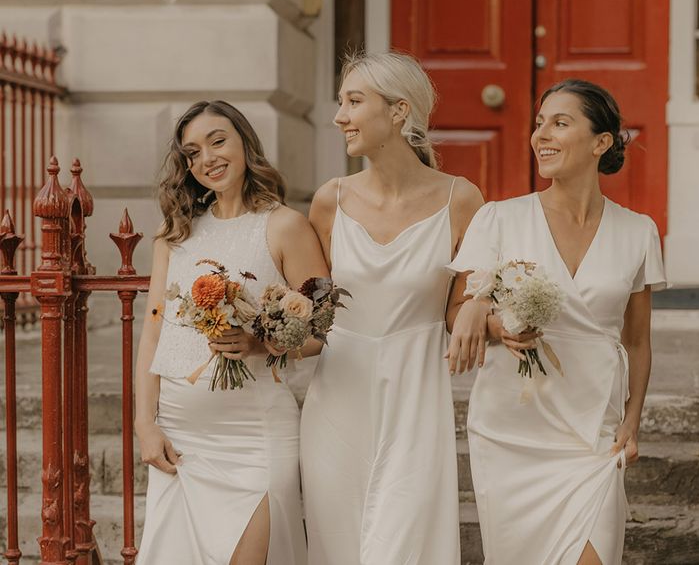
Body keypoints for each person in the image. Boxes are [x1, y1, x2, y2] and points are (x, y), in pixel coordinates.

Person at [448, 79, 665, 565]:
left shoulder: (638, 232)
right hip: (513, 431)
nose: (540, 135)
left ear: (600, 142)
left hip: (593, 431)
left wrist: (632, 421)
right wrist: (493, 324)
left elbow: (638, 340)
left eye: (560, 123)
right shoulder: (498, 219)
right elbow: (459, 312)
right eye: (539, 123)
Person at [300, 51, 484, 565]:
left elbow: (459, 309)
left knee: (409, 542)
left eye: (354, 101)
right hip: (338, 399)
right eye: (341, 102)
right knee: (338, 545)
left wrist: (482, 305)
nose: (340, 116)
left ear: (399, 111)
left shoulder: (462, 201)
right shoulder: (329, 201)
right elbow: (313, 317)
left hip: (416, 396)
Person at [134, 100, 327, 565]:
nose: (207, 158)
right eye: (192, 152)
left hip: (254, 435)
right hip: (181, 434)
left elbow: (321, 330)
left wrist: (261, 343)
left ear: (245, 142)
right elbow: (153, 333)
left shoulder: (286, 227)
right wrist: (145, 423)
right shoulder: (175, 234)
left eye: (218, 141)